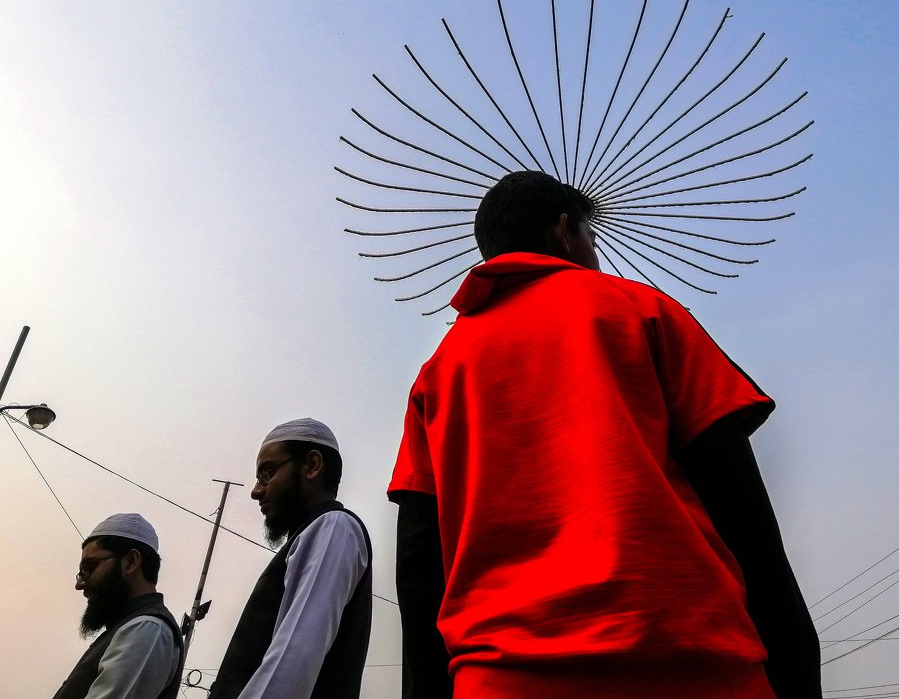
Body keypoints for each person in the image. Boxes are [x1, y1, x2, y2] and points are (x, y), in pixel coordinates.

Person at [388, 170, 821, 699]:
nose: (595, 249)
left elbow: (418, 566)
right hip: (689, 664)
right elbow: (741, 511)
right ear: (564, 232)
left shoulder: (438, 375)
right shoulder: (642, 309)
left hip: (501, 679)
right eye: (592, 235)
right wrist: (797, 668)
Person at [210, 418, 372, 699]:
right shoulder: (313, 533)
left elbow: (293, 656)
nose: (256, 490)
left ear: (312, 466)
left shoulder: (333, 527)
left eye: (267, 473)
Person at [53, 513, 183, 699]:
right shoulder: (129, 627)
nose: (80, 584)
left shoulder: (147, 628)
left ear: (131, 562)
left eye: (89, 567)